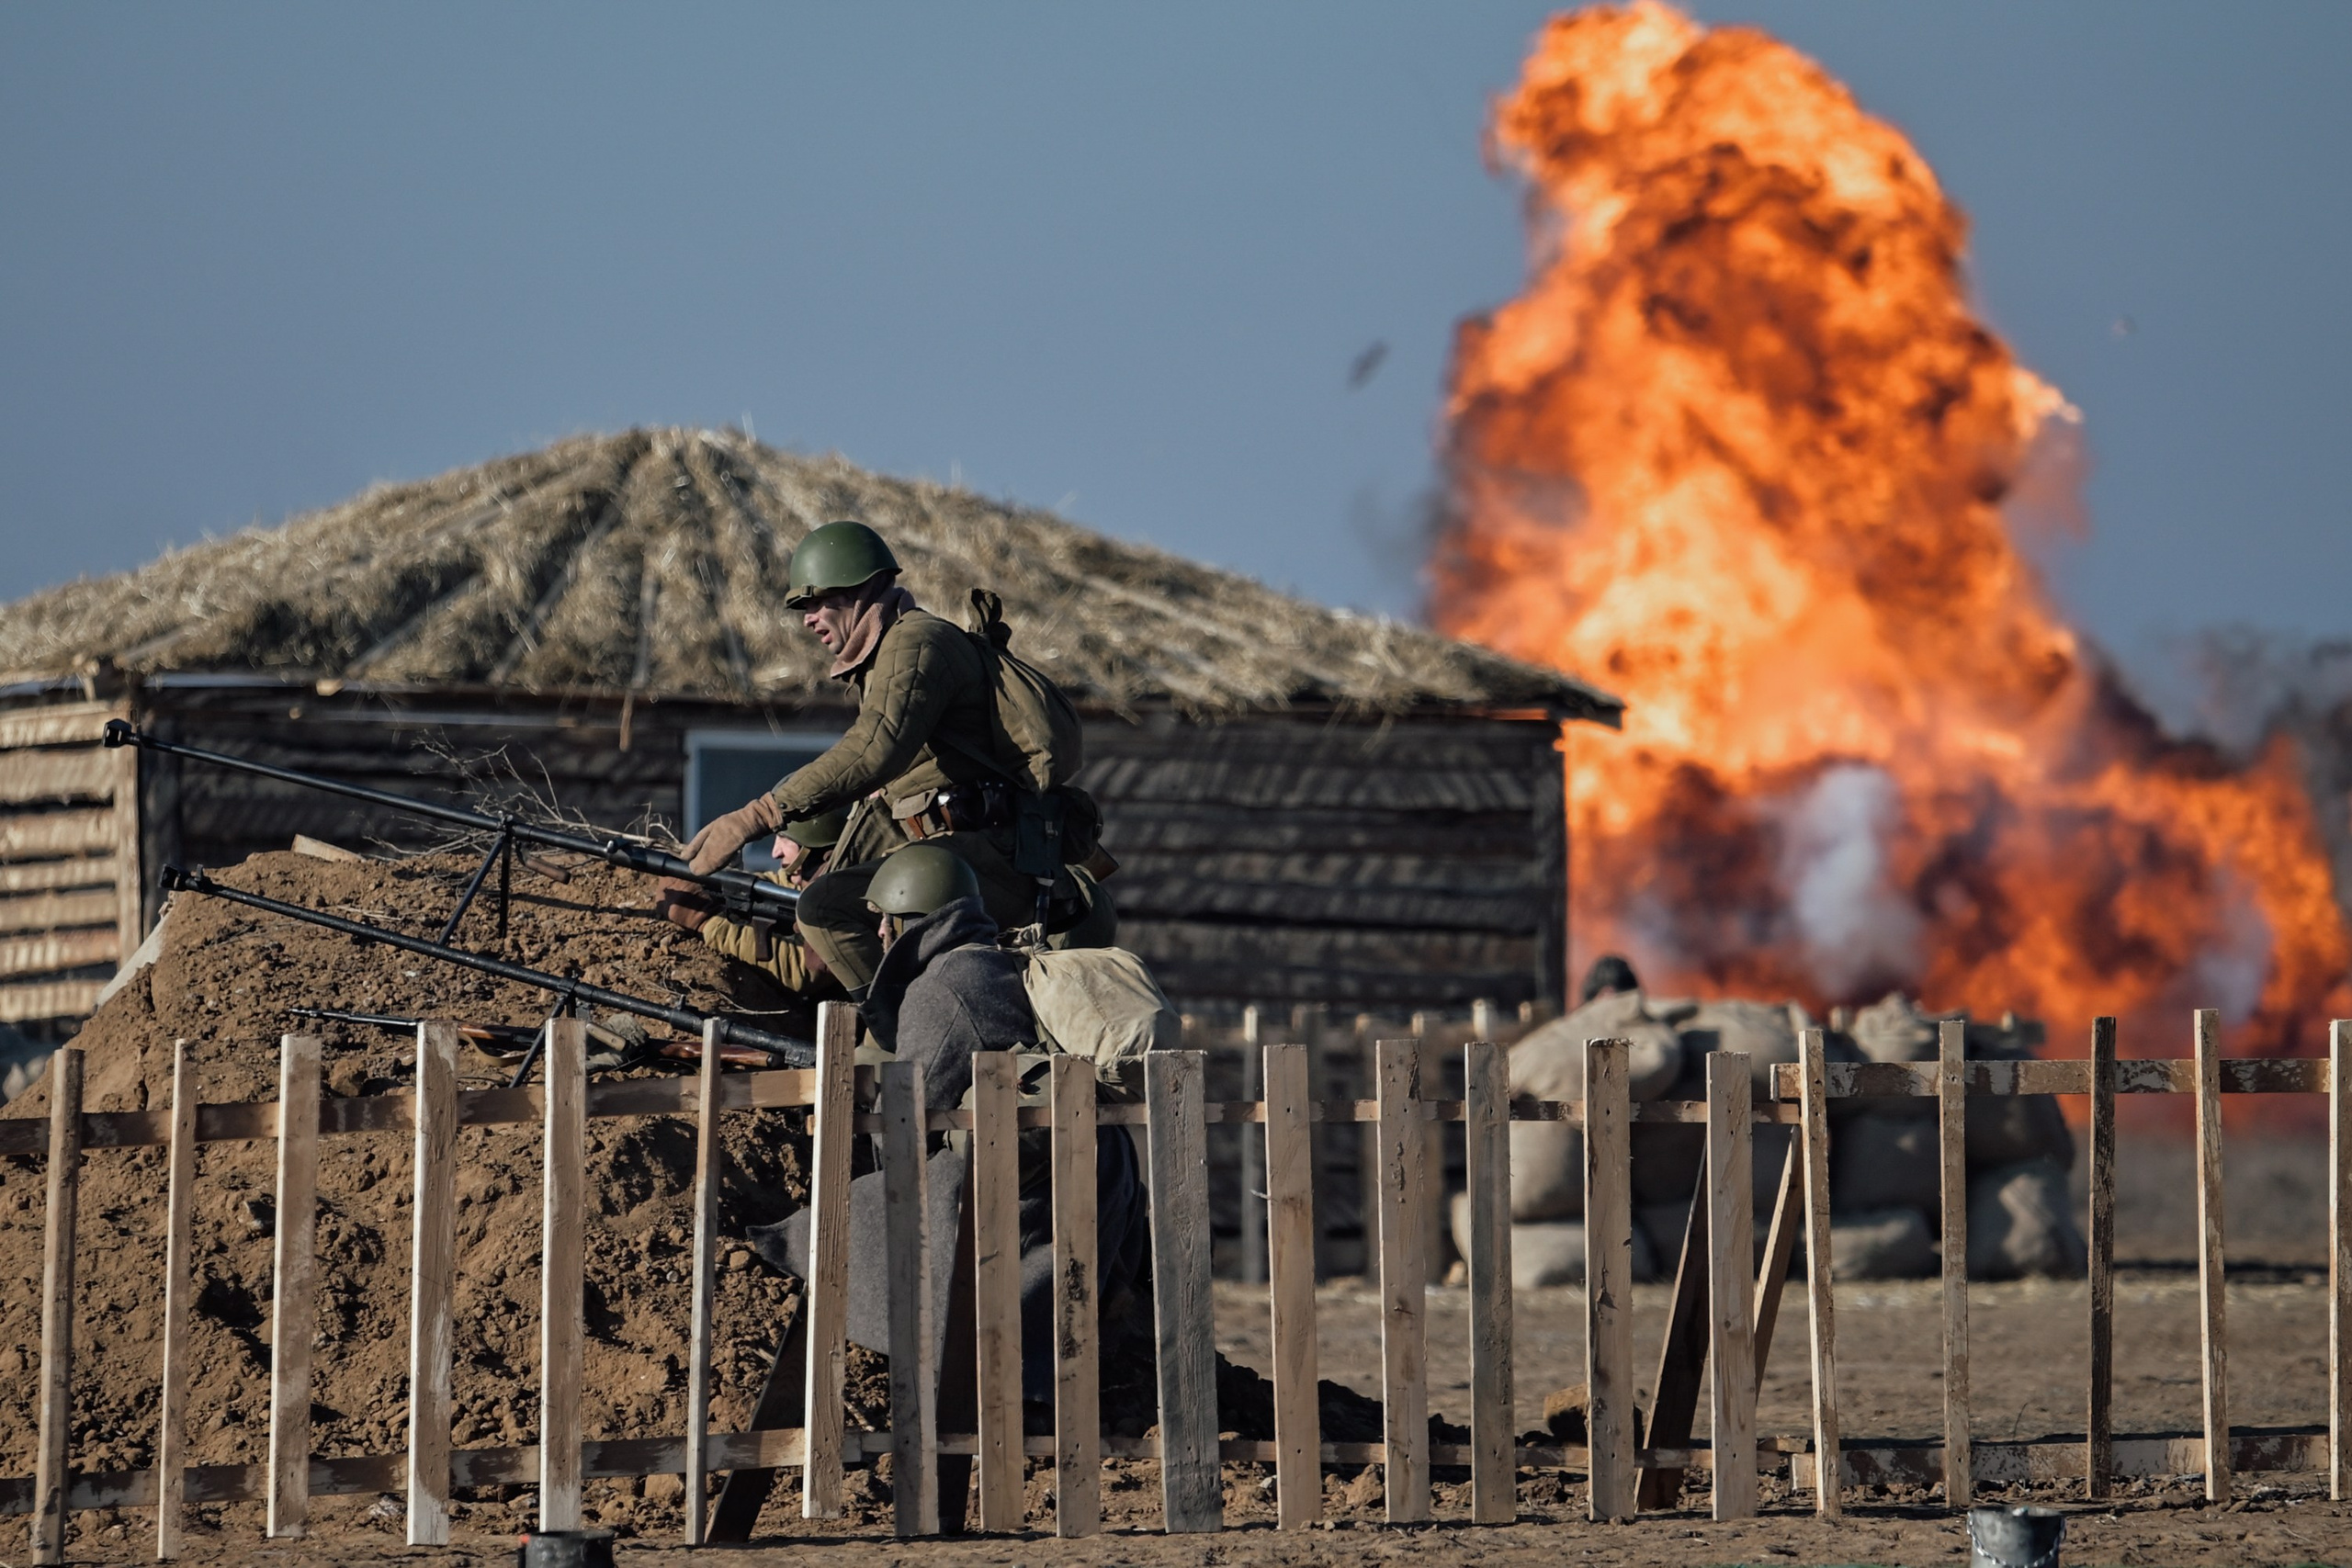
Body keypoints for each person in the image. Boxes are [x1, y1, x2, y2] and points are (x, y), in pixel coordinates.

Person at [751, 842, 1150, 1405]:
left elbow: (909, 1125)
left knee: (840, 1225)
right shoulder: (993, 959)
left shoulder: (941, 984)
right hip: (1073, 1158)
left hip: (1021, 1176)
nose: (881, 935)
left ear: (908, 919)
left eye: (885, 920)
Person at [682, 520, 1102, 997]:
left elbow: (874, 747)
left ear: (858, 589)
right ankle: (893, 1033)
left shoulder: (916, 643)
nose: (807, 617)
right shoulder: (889, 657)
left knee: (826, 907)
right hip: (961, 855)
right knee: (824, 904)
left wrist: (758, 814)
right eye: (803, 606)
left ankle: (895, 1037)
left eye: (816, 600)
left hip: (995, 855)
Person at [652, 806, 850, 997]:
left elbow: (801, 972)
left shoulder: (843, 894)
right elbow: (780, 888)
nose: (775, 852)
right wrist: (726, 883)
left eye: (785, 838)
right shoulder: (804, 883)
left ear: (812, 845)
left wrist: (705, 921)